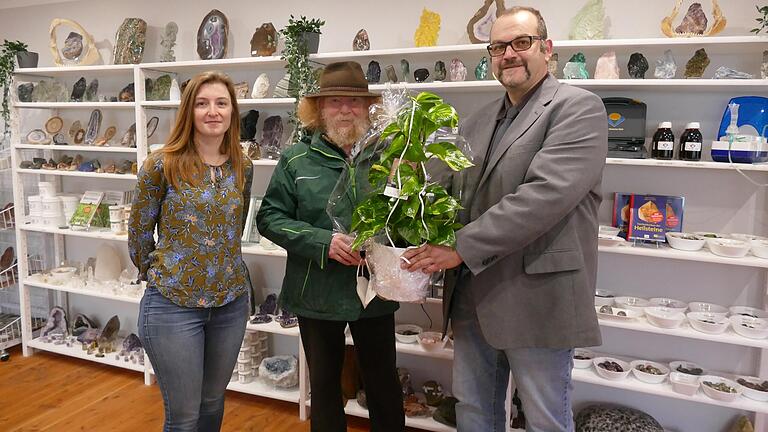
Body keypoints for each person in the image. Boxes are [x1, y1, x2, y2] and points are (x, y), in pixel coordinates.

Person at [402, 6, 607, 432]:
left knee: (545, 416)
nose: (508, 54)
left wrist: (458, 246)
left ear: (547, 49)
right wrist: (402, 172)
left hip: (537, 295)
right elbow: (450, 190)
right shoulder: (478, 120)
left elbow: (544, 196)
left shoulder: (577, 109)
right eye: (497, 46)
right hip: (474, 296)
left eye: (521, 42)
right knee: (474, 408)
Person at [256, 61, 405, 432]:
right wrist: (324, 241)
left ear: (368, 108)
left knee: (383, 383)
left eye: (353, 103)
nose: (344, 110)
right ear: (318, 109)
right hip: (315, 293)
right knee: (324, 388)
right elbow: (270, 218)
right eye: (334, 101)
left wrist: (407, 187)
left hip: (376, 291)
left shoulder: (390, 156)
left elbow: (406, 217)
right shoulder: (296, 159)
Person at [128, 71, 254, 432]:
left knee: (213, 402)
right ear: (189, 111)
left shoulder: (241, 165)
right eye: (202, 103)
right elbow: (138, 233)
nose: (212, 111)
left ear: (232, 111)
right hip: (173, 306)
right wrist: (159, 271)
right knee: (183, 417)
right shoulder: (161, 164)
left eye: (221, 103)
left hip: (230, 303)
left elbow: (237, 222)